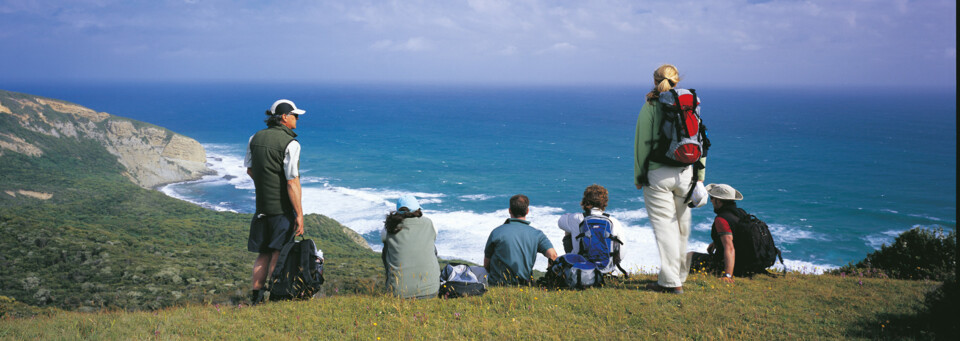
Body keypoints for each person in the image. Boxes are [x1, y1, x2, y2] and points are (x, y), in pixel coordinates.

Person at [633, 64, 706, 294]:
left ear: (654, 81)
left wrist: (639, 176)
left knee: (665, 227)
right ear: (678, 80)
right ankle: (679, 275)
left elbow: (641, 144)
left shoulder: (651, 106)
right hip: (686, 172)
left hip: (658, 174)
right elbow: (700, 140)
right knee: (682, 226)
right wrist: (700, 177)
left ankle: (670, 283)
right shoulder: (692, 103)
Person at [245, 99, 306, 304]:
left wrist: (265, 185)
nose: (297, 119)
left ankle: (256, 298)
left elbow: (250, 170)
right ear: (284, 117)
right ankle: (275, 298)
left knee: (263, 253)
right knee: (278, 254)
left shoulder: (255, 138)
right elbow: (292, 182)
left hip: (261, 208)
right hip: (281, 210)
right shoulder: (291, 143)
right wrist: (299, 214)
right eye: (294, 115)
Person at [484, 194, 558, 286]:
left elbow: (486, 265)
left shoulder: (497, 232)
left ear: (509, 210)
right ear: (527, 211)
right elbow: (553, 255)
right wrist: (548, 280)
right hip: (524, 285)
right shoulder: (537, 234)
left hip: (498, 285)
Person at [557, 184, 627, 274]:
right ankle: (607, 269)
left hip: (583, 266)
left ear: (585, 201)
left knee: (568, 231)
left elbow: (560, 223)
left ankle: (575, 266)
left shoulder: (577, 218)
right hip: (607, 267)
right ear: (604, 202)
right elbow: (622, 250)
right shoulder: (613, 221)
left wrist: (570, 217)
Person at [380, 195, 441, 299]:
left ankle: (396, 284)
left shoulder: (389, 228)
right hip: (431, 291)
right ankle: (428, 282)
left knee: (387, 249)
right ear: (418, 209)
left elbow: (383, 240)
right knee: (431, 246)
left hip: (398, 294)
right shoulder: (430, 223)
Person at [689, 184, 744, 284]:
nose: (710, 201)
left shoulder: (722, 219)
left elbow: (729, 248)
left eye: (712, 198)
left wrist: (727, 275)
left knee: (688, 257)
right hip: (744, 263)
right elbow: (737, 235)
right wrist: (716, 242)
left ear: (718, 201)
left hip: (730, 266)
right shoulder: (740, 213)